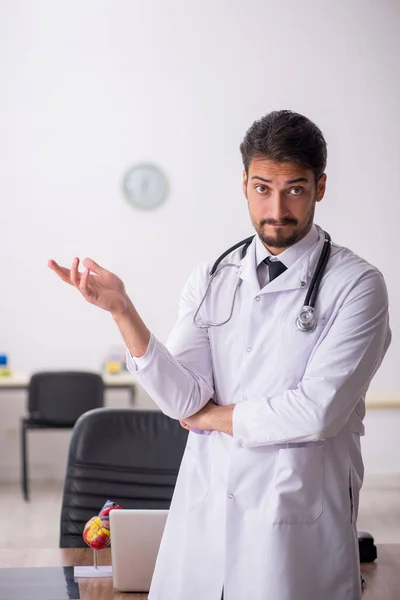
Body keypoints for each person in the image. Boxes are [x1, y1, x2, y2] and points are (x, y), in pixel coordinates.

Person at [49, 110, 391, 600]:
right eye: (261, 188)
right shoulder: (214, 275)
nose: (276, 208)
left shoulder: (357, 286)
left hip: (293, 525)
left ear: (319, 187)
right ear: (244, 184)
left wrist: (214, 417)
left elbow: (317, 411)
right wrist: (124, 312)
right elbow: (182, 397)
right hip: (205, 516)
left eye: (294, 189)